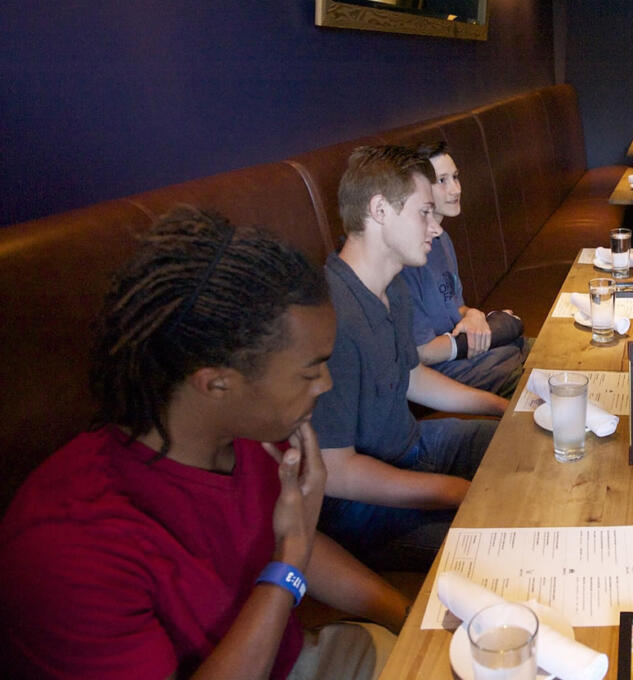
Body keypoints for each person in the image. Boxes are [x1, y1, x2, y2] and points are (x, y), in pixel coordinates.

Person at [0, 207, 411, 680]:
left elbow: (293, 541)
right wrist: (288, 563)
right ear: (216, 383)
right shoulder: (66, 552)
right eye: (310, 370)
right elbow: (293, 550)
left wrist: (407, 615)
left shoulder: (246, 437)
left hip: (291, 656)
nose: (326, 384)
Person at [314, 145, 507, 573]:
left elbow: (411, 377)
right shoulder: (334, 319)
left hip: (413, 446)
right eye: (424, 213)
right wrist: (449, 491)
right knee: (499, 542)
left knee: (520, 448)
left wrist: (502, 409)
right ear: (380, 210)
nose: (435, 229)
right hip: (360, 506)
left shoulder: (393, 285)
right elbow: (337, 470)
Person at [399, 140, 525, 397]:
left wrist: (474, 315)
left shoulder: (442, 239)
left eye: (455, 177)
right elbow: (422, 352)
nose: (455, 189)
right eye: (442, 181)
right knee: (532, 374)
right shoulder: (408, 258)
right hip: (441, 369)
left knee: (537, 348)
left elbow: (454, 306)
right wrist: (477, 337)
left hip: (461, 352)